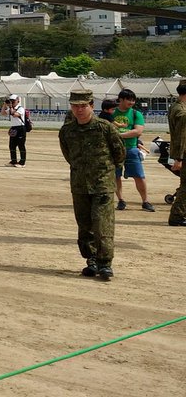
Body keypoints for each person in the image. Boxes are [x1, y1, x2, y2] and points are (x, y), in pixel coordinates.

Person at [59, 89, 125, 280]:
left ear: (91, 106)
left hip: (102, 184)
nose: (79, 110)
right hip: (79, 184)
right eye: (75, 106)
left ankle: (105, 263)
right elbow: (68, 155)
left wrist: (106, 172)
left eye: (83, 106)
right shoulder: (67, 131)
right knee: (84, 225)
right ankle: (92, 261)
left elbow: (119, 153)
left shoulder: (105, 128)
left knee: (102, 224)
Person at [112, 89, 153, 212]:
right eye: (129, 99)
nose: (132, 102)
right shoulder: (111, 112)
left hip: (131, 149)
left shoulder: (136, 114)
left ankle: (145, 201)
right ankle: (121, 200)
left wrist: (118, 135)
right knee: (115, 176)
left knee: (139, 176)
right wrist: (127, 133)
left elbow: (138, 131)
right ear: (121, 99)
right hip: (114, 150)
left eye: (133, 100)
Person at [167, 81, 186, 226]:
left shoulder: (176, 106)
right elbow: (181, 136)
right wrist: (179, 158)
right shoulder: (181, 112)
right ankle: (177, 216)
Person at [3, 94, 27, 168]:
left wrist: (10, 107)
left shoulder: (20, 108)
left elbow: (14, 114)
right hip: (14, 128)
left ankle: (22, 162)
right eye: (11, 101)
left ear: (18, 101)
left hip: (21, 128)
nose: (12, 102)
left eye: (13, 101)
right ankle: (13, 161)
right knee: (12, 146)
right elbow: (3, 113)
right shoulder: (11, 108)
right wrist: (4, 105)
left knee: (21, 145)